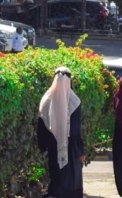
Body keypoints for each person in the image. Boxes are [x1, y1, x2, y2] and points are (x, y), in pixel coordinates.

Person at [36, 66, 86, 198]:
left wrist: (43, 146)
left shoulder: (46, 99)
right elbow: (75, 130)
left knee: (56, 176)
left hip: (53, 146)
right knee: (70, 180)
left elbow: (41, 126)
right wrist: (80, 151)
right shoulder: (74, 101)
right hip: (70, 150)